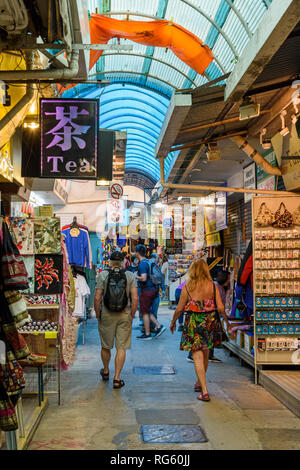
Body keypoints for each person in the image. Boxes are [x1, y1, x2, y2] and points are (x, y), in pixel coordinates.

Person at [170, 260, 229, 402]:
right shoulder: (213, 287)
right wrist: (227, 322)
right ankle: (199, 383)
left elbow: (179, 309)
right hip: (210, 322)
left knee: (197, 355)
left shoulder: (188, 287)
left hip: (193, 323)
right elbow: (220, 308)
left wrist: (173, 322)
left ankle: (204, 391)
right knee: (206, 352)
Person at [94, 251, 138, 389]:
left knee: (106, 346)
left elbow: (97, 297)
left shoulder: (103, 275)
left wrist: (98, 314)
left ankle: (106, 371)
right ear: (123, 262)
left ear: (111, 262)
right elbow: (135, 298)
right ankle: (117, 378)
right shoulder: (130, 276)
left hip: (106, 315)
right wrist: (132, 314)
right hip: (124, 314)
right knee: (121, 347)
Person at [135, 244, 166, 340]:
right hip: (153, 289)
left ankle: (155, 328)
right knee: (146, 311)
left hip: (147, 290)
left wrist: (135, 276)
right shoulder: (147, 261)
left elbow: (143, 278)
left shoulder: (142, 264)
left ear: (137, 253)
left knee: (145, 311)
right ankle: (151, 330)